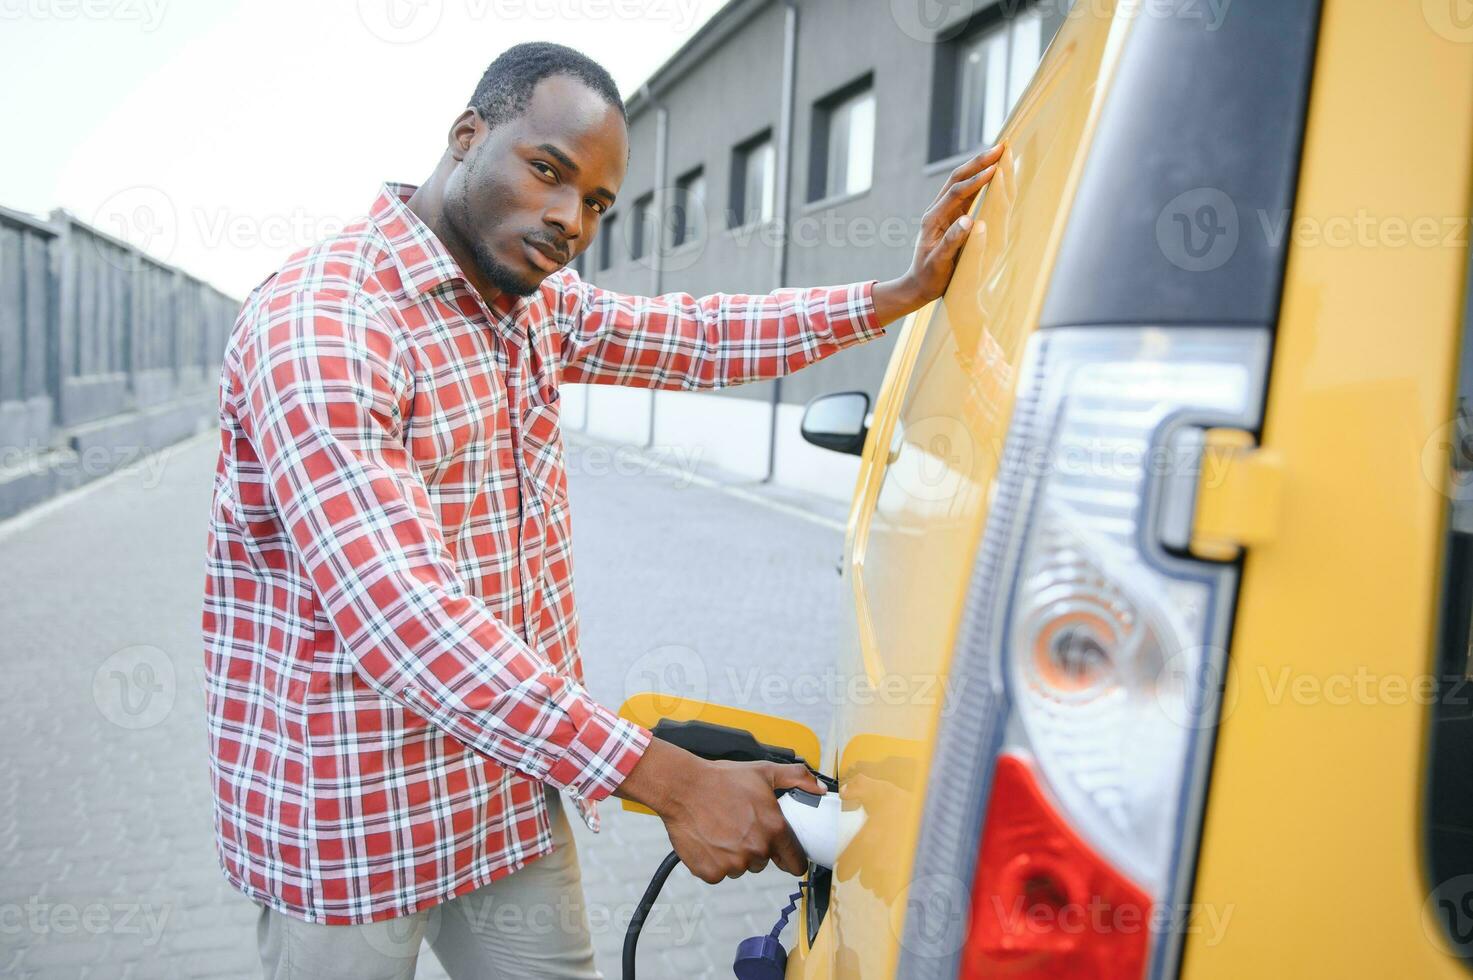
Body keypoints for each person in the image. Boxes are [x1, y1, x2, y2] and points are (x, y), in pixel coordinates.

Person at [201, 40, 1000, 980]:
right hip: (352, 825)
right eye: (549, 171)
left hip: (504, 794)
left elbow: (696, 337)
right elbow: (404, 618)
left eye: (595, 204)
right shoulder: (325, 324)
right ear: (467, 137)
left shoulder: (527, 304)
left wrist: (894, 297)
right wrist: (671, 783)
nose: (567, 219)